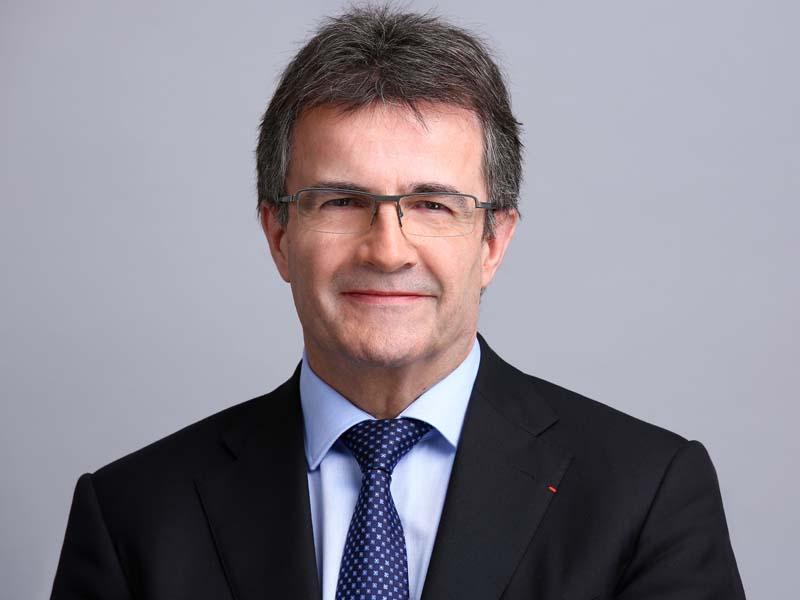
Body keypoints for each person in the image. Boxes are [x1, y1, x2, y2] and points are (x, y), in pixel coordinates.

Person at [50, 6, 745, 600]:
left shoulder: (646, 496)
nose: (388, 250)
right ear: (279, 235)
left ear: (493, 240)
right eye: (341, 201)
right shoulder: (132, 516)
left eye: (433, 204)